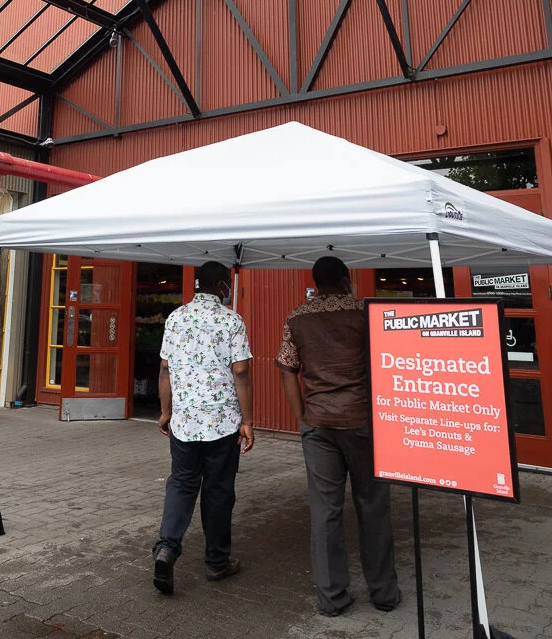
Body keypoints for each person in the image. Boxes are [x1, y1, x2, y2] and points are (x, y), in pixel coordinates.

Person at [276, 255, 400, 618]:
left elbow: (286, 369)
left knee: (325, 511)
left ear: (316, 283)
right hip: (364, 422)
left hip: (319, 425)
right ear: (346, 280)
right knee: (373, 506)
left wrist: (302, 418)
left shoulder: (297, 317)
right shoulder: (367, 313)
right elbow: (387, 362)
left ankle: (332, 598)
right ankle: (384, 594)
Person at [152, 260, 254, 595]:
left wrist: (166, 412)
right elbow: (240, 373)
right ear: (223, 286)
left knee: (181, 485)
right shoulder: (231, 320)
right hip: (222, 424)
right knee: (218, 490)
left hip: (184, 422)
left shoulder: (176, 318)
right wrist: (247, 420)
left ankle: (167, 548)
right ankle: (216, 562)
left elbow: (165, 370)